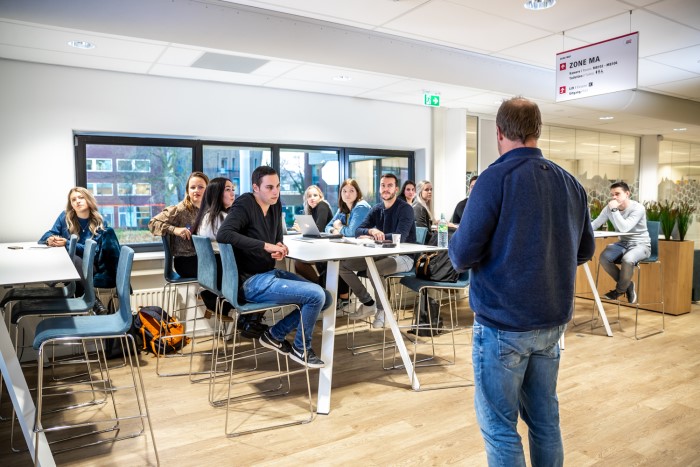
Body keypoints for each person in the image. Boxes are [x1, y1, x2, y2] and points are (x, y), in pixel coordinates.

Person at [448, 97, 595, 467]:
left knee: (499, 427)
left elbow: (461, 255)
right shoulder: (571, 183)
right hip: (552, 324)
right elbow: (584, 250)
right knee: (545, 421)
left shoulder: (493, 179)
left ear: (498, 133)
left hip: (503, 325)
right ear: (537, 131)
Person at [216, 166, 332, 368]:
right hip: (250, 282)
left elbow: (277, 238)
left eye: (277, 186)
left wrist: (280, 247)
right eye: (269, 187)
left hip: (269, 273)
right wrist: (265, 246)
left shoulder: (275, 205)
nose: (275, 191)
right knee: (316, 296)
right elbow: (224, 234)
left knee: (325, 297)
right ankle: (301, 349)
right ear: (255, 188)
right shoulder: (245, 204)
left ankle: (274, 335)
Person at [339, 173, 416, 329]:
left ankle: (383, 310)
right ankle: (368, 302)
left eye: (389, 186)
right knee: (342, 265)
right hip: (382, 254)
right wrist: (371, 232)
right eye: (383, 185)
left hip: (404, 257)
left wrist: (374, 236)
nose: (385, 189)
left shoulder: (405, 209)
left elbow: (399, 237)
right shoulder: (377, 208)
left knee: (373, 270)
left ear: (395, 188)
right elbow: (358, 230)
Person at [39, 186, 109, 312]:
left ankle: (87, 301)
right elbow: (45, 236)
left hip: (90, 266)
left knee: (75, 259)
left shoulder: (100, 222)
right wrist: (49, 239)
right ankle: (92, 300)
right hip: (67, 267)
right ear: (71, 204)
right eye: (73, 199)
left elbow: (95, 250)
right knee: (72, 261)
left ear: (88, 199)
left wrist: (68, 243)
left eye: (81, 197)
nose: (77, 201)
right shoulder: (65, 217)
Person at [591, 181, 651, 303]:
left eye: (617, 194)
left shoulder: (638, 208)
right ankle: (628, 285)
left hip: (641, 245)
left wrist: (614, 210)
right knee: (604, 258)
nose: (614, 197)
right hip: (623, 244)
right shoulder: (609, 208)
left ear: (627, 193)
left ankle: (619, 291)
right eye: (612, 194)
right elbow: (595, 224)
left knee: (628, 259)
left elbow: (624, 228)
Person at [148, 171, 209, 278]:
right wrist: (174, 229)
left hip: (204, 257)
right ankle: (206, 295)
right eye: (192, 187)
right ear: (187, 190)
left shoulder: (209, 209)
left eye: (201, 187)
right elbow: (152, 223)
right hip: (185, 261)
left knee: (229, 267)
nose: (196, 190)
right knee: (220, 272)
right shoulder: (180, 210)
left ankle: (205, 294)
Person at [325, 179, 372, 310]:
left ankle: (364, 301)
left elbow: (352, 232)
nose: (347, 194)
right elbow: (327, 227)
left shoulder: (361, 207)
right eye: (344, 191)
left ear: (358, 193)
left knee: (339, 265)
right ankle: (339, 301)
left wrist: (339, 227)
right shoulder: (344, 208)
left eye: (351, 191)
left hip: (370, 251)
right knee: (331, 264)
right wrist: (334, 229)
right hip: (354, 250)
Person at [293, 185, 334, 282]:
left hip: (327, 248)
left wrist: (302, 229)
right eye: (309, 196)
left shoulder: (322, 205)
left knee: (299, 262)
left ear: (320, 197)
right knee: (298, 262)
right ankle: (319, 285)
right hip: (320, 247)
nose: (312, 198)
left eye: (315, 195)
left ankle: (319, 285)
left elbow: (319, 229)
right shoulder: (312, 211)